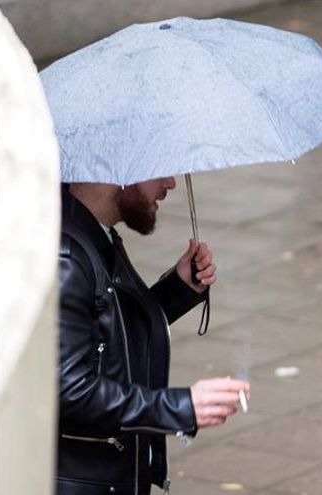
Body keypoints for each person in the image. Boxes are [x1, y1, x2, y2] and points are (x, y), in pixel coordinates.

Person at [57, 177, 250, 495]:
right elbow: (69, 392)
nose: (171, 182)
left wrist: (177, 290)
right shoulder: (66, 256)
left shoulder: (93, 233)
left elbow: (105, 335)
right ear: (117, 168)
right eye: (161, 171)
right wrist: (181, 407)